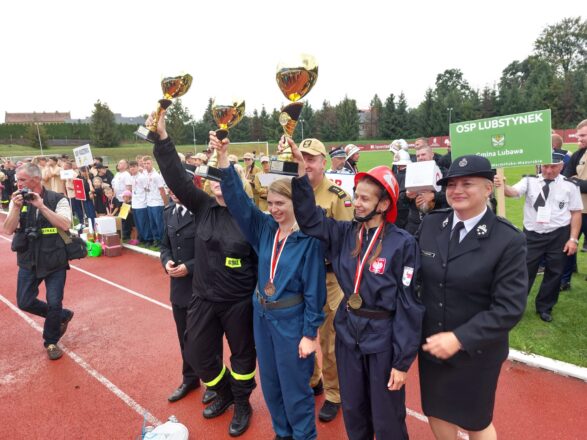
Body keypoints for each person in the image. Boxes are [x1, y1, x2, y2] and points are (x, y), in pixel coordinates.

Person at [290, 143, 424, 440]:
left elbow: (409, 305)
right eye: (356, 196)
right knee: (354, 410)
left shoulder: (402, 244)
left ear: (384, 204)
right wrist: (301, 178)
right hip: (349, 333)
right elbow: (310, 220)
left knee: (387, 417)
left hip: (383, 340)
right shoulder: (344, 234)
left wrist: (401, 363)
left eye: (365, 198)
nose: (357, 203)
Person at [212, 132, 326, 440]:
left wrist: (309, 333)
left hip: (292, 322)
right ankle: (282, 433)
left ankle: (303, 436)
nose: (274, 209)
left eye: (280, 204)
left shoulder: (309, 240)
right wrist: (224, 161)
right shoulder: (264, 228)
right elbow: (239, 204)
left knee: (295, 390)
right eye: (271, 203)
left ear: (295, 203)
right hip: (263, 317)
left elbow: (316, 291)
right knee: (272, 385)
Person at [152, 117, 258, 438]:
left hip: (238, 302)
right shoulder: (203, 206)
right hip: (202, 298)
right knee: (198, 355)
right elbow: (175, 178)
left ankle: (241, 403)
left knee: (242, 357)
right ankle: (224, 392)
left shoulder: (249, 215)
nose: (215, 182)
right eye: (211, 178)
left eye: (222, 177)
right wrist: (162, 139)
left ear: (235, 181)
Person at [416, 154, 527, 440]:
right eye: (452, 184)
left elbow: (509, 308)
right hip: (432, 344)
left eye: (468, 183)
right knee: (436, 410)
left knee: (475, 421)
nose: (457, 190)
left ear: (489, 188)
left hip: (476, 351)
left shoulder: (507, 240)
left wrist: (459, 338)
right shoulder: (431, 224)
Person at [280, 136, 354, 422]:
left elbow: (348, 241)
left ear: (324, 162)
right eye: (303, 157)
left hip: (328, 279)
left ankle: (335, 394)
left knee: (330, 341)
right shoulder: (289, 191)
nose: (307, 163)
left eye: (312, 158)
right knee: (302, 335)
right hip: (297, 278)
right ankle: (314, 382)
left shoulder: (336, 196)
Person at [496, 152, 582, 322]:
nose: (549, 170)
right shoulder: (530, 180)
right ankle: (515, 307)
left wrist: (573, 239)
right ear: (540, 165)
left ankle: (544, 307)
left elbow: (576, 213)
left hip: (559, 234)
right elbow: (513, 192)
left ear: (561, 166)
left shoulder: (570, 185)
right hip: (532, 234)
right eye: (545, 166)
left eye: (553, 166)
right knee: (524, 272)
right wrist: (503, 185)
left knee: (554, 273)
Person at [2, 163, 75, 360]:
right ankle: (61, 315)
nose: (17, 184)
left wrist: (41, 206)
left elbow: (65, 224)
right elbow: (8, 230)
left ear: (35, 180)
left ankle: (50, 341)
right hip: (28, 259)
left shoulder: (58, 199)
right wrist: (16, 209)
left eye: (22, 180)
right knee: (24, 302)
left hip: (54, 259)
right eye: (17, 180)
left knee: (54, 302)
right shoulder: (16, 200)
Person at [159, 187, 216, 405]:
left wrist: (189, 267)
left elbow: (212, 251)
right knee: (184, 336)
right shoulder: (169, 212)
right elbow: (164, 245)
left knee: (206, 337)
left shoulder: (203, 212)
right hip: (178, 287)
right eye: (170, 187)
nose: (173, 191)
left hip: (201, 287)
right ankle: (190, 378)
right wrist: (167, 262)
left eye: (177, 186)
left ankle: (213, 382)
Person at [405, 145, 448, 234]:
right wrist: (407, 196)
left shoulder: (443, 172)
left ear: (432, 155)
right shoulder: (412, 172)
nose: (420, 158)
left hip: (437, 222)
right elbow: (402, 199)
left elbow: (451, 195)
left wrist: (434, 196)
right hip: (414, 224)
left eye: (423, 154)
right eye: (418, 156)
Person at [563, 119, 587, 254]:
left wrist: (576, 182)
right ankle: (569, 272)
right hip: (576, 211)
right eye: (578, 135)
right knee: (568, 246)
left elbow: (571, 182)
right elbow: (566, 179)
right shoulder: (578, 154)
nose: (579, 139)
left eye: (583, 136)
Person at [143, 156, 168, 245]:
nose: (146, 165)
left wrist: (165, 204)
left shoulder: (156, 176)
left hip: (157, 203)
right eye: (145, 164)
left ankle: (163, 241)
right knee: (152, 223)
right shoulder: (145, 174)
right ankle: (156, 240)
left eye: (148, 163)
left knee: (159, 224)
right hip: (149, 203)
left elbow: (162, 190)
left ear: (152, 164)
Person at [129, 160, 152, 245]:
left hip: (142, 203)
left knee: (144, 223)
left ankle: (148, 239)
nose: (132, 169)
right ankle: (141, 237)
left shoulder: (142, 177)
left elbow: (147, 189)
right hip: (135, 203)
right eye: (130, 167)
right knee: (138, 223)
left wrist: (146, 200)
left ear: (137, 167)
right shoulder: (131, 177)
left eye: (134, 167)